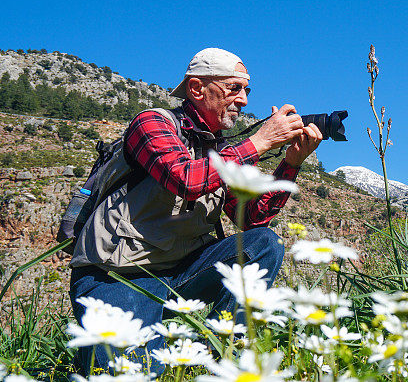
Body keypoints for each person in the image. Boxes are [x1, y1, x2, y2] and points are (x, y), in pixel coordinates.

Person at [68, 47, 322, 373]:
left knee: (263, 244)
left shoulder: (220, 151)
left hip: (180, 275)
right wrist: (259, 143)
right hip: (115, 279)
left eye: (246, 90)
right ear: (197, 89)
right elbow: (184, 178)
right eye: (234, 88)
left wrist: (290, 163)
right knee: (139, 373)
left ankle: (216, 358)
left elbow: (252, 219)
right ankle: (100, 354)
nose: (244, 99)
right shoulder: (151, 123)